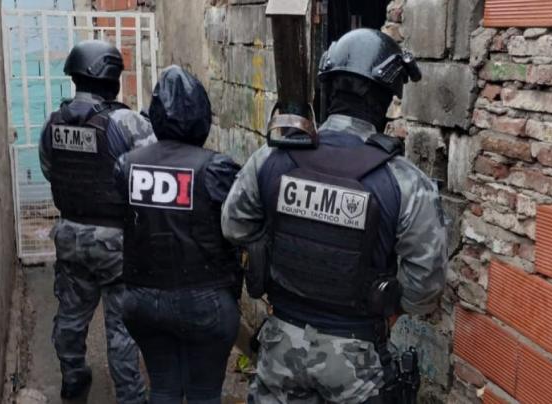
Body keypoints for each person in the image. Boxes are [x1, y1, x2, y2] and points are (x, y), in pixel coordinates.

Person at [221, 28, 448, 404]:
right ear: (386, 99)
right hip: (356, 357)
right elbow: (425, 287)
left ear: (327, 88)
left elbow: (233, 226)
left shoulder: (272, 157)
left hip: (281, 345)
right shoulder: (406, 182)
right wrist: (390, 310)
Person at [112, 65, 242, 404]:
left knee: (164, 388)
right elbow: (243, 227)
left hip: (142, 300)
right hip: (205, 298)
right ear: (202, 115)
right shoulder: (217, 167)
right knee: (203, 393)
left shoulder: (126, 165)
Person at [39, 39, 154, 403]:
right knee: (121, 329)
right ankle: (130, 396)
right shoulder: (128, 122)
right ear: (111, 77)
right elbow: (150, 176)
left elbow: (49, 170)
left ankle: (73, 379)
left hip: (70, 236)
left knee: (71, 316)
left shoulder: (53, 123)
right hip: (117, 242)